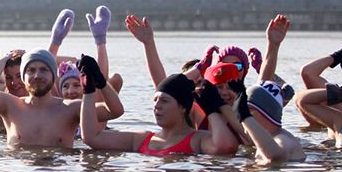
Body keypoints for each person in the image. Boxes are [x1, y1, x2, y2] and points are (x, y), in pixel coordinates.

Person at [0, 25, 123, 149]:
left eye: (44, 70)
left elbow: (115, 111)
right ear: (24, 77)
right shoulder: (10, 106)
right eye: (31, 70)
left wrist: (100, 81)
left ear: (54, 76)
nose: (37, 75)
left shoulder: (71, 109)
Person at [79, 67, 239, 156]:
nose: (157, 106)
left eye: (164, 100)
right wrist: (90, 89)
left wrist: (211, 109)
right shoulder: (141, 139)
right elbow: (92, 138)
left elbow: (226, 148)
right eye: (155, 100)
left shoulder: (199, 139)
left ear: (183, 107)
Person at [233, 82, 307, 163]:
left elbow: (276, 157)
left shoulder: (284, 139)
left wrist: (245, 117)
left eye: (248, 110)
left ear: (266, 113)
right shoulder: (267, 139)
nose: (244, 121)